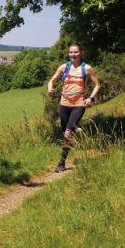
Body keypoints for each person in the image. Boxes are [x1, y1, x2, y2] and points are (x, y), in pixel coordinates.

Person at [47, 43, 101, 172]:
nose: (73, 55)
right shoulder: (64, 67)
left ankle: (61, 163)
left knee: (67, 133)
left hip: (79, 105)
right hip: (64, 104)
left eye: (75, 52)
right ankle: (75, 131)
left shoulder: (87, 68)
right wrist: (50, 88)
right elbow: (52, 80)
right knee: (65, 133)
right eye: (71, 52)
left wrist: (90, 98)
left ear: (81, 53)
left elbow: (97, 85)